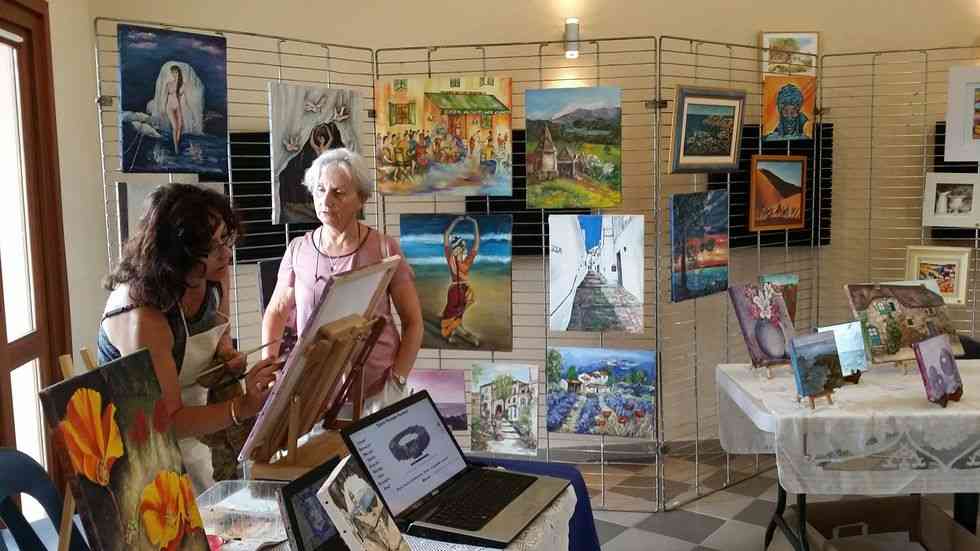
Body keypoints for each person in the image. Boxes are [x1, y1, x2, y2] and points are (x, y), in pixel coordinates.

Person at [98, 184, 281, 494]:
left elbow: (219, 333)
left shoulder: (213, 276)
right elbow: (169, 421)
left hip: (194, 427)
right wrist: (243, 406)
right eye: (212, 247)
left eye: (226, 239)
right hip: (141, 446)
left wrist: (226, 356)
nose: (226, 254)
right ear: (177, 254)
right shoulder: (143, 316)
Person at [262, 148, 423, 413]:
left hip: (375, 389)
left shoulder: (384, 248)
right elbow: (277, 311)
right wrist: (269, 370)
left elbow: (413, 321)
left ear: (361, 199)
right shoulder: (297, 250)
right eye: (320, 190)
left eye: (338, 193)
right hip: (313, 389)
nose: (326, 201)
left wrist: (396, 381)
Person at [440, 216, 480, 346]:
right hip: (458, 291)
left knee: (457, 313)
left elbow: (476, 244)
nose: (465, 248)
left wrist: (474, 223)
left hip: (461, 291)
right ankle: (455, 332)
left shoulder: (462, 260)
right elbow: (446, 236)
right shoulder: (454, 259)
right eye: (462, 246)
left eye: (463, 246)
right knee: (453, 313)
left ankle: (457, 331)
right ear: (457, 248)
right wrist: (456, 221)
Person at [165, 65, 185, 154]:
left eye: (176, 72)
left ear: (179, 73)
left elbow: (182, 98)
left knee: (180, 126)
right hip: (169, 107)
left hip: (177, 106)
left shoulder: (182, 84)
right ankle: (176, 148)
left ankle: (176, 143)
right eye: (172, 72)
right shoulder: (168, 84)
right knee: (175, 127)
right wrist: (163, 107)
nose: (174, 74)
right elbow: (165, 97)